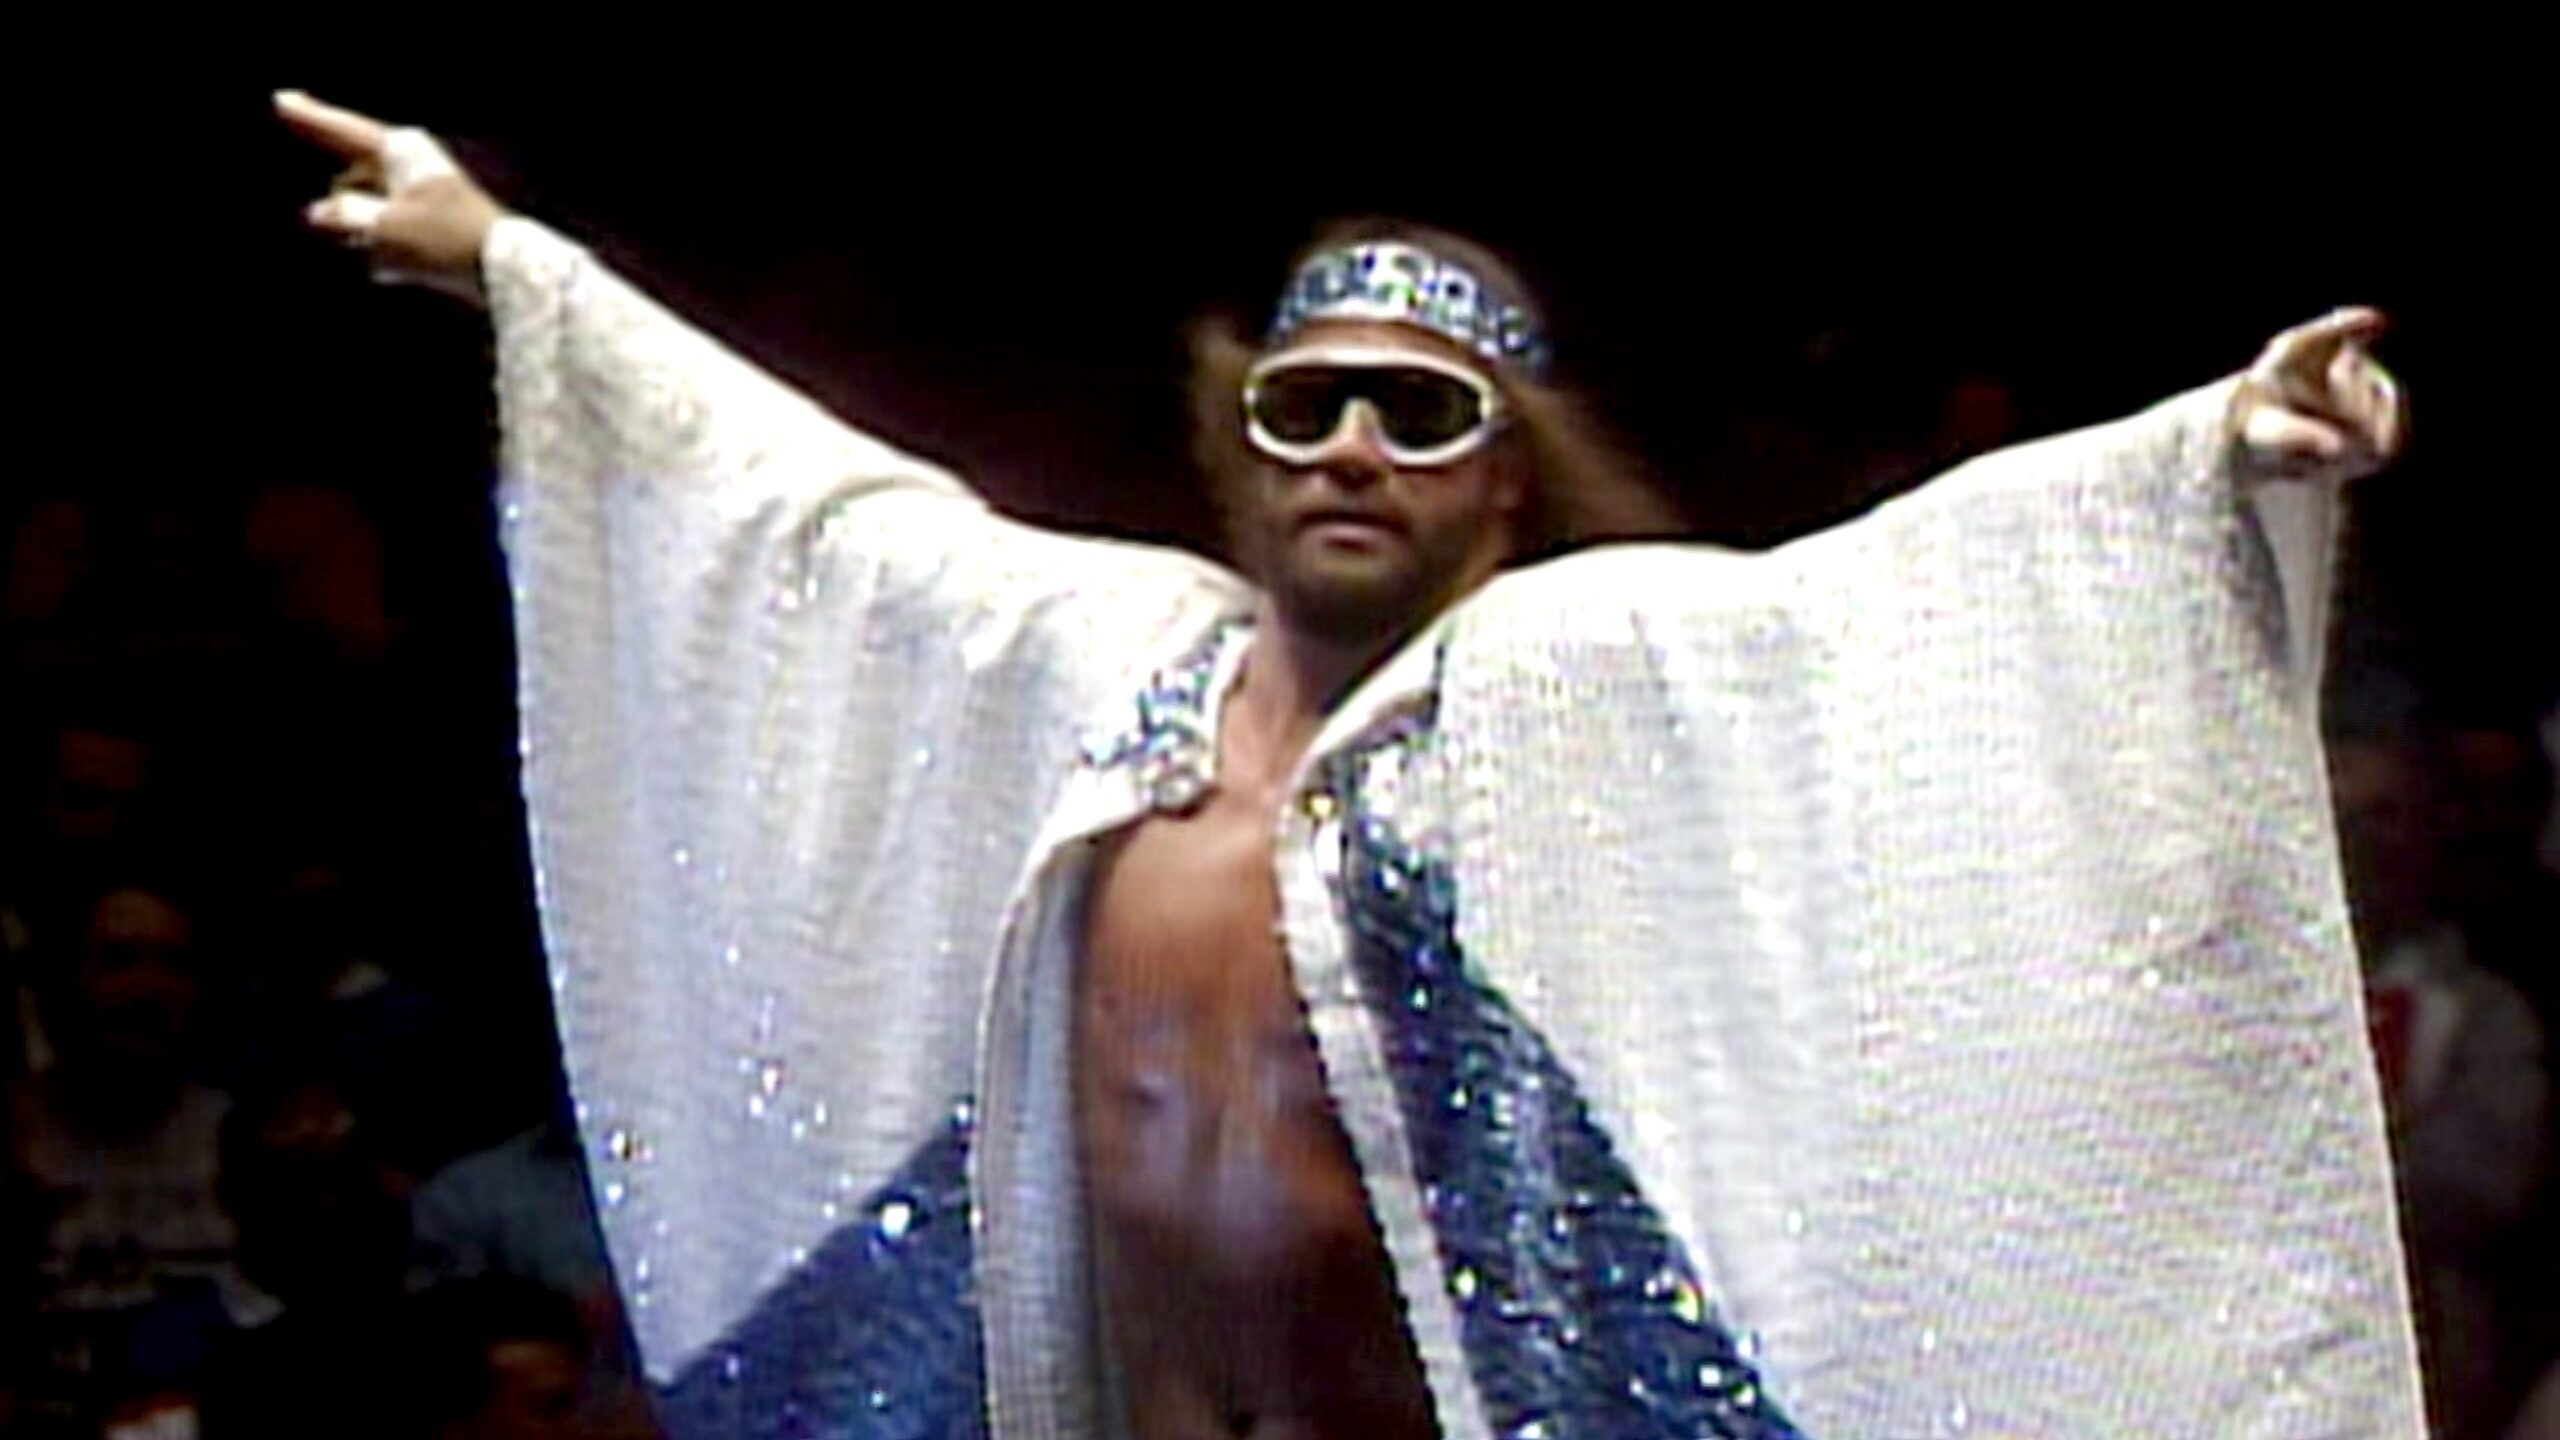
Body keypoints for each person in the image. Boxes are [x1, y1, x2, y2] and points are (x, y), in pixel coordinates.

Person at [275, 90, 2421, 1439]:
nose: (1355, 450)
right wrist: (510, 264)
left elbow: (1884, 605)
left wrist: (2213, 453)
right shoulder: (1106, 661)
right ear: (1246, 442)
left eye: (1420, 411)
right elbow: (817, 511)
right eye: (1308, 407)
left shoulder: (1572, 680)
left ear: (1507, 475)